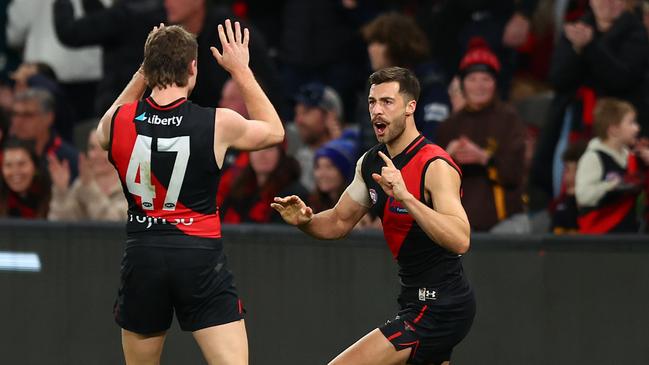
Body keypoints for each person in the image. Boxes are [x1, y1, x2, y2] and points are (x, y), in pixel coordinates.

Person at [96, 21, 284, 364]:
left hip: (143, 255)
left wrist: (144, 71)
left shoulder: (118, 122)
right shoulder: (218, 123)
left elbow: (104, 129)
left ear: (148, 67)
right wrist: (241, 70)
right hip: (198, 257)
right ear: (193, 67)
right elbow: (274, 131)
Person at [272, 67, 474, 365]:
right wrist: (306, 221)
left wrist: (406, 197)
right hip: (413, 299)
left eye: (387, 102)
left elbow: (460, 240)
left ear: (410, 107)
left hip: (439, 305)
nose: (377, 111)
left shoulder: (435, 165)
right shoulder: (370, 163)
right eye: (372, 102)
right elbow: (339, 222)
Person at [436, 38, 527, 232]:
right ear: (462, 84)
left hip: (503, 222)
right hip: (457, 223)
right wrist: (446, 158)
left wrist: (485, 158)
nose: (479, 86)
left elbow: (516, 174)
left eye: (486, 79)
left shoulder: (509, 119)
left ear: (495, 83)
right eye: (472, 79)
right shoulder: (449, 125)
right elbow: (430, 183)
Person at [575, 98, 645, 233]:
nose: (637, 128)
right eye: (631, 123)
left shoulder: (631, 157)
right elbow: (583, 195)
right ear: (614, 130)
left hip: (628, 233)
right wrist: (613, 186)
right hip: (601, 236)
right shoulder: (593, 157)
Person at [47, 127, 127, 221]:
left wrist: (90, 187)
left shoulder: (133, 188)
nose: (97, 155)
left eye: (105, 148)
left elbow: (112, 227)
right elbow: (61, 228)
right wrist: (61, 192)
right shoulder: (81, 184)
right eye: (92, 148)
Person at [220, 144, 306, 224]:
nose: (262, 154)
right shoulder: (238, 189)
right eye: (256, 149)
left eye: (269, 148)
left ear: (280, 153)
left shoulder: (293, 195)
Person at [0, 138, 51, 218]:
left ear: (35, 167)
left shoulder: (52, 196)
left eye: (22, 164)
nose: (15, 171)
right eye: (8, 165)